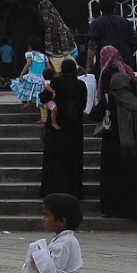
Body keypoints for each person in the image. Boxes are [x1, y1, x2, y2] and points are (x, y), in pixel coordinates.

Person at [87, 45, 137, 222]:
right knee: (133, 181)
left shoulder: (108, 98)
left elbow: (93, 116)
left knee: (112, 179)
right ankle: (134, 210)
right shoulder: (135, 102)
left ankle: (112, 208)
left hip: (112, 147)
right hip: (133, 148)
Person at [40, 58, 87, 199]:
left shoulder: (55, 83)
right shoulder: (80, 85)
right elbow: (83, 106)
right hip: (74, 128)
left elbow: (43, 98)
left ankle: (52, 188)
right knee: (73, 159)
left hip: (56, 129)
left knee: (54, 158)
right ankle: (74, 189)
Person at [85, 0, 137, 76]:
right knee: (125, 85)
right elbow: (134, 42)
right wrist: (126, 53)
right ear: (114, 7)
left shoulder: (96, 23)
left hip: (105, 64)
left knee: (105, 86)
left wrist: (88, 66)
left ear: (100, 8)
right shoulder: (125, 22)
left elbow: (92, 46)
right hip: (124, 62)